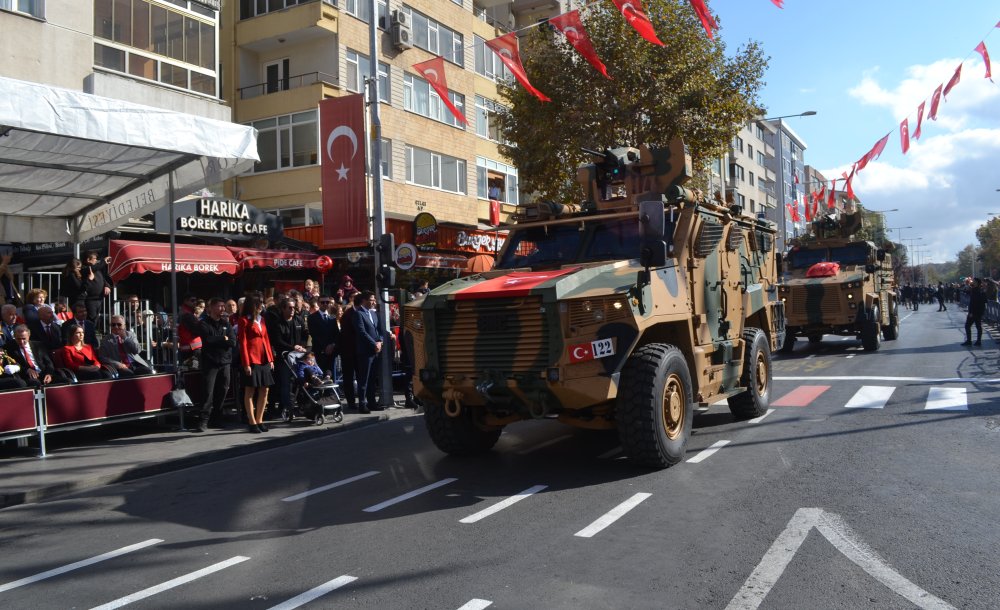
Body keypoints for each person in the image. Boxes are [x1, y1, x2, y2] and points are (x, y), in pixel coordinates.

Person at [194, 297, 236, 432]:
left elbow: (233, 342)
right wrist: (223, 339)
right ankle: (203, 420)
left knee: (223, 390)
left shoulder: (226, 324)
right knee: (208, 392)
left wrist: (223, 340)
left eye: (224, 306)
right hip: (210, 362)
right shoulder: (204, 323)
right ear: (210, 308)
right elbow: (208, 340)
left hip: (225, 362)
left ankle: (217, 418)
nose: (222, 309)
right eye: (219, 306)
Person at [237, 294, 274, 433]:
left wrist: (270, 359)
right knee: (250, 390)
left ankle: (260, 420)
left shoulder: (262, 319)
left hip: (264, 358)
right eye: (259, 303)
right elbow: (243, 343)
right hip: (252, 359)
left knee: (265, 390)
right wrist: (246, 363)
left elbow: (266, 339)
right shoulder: (244, 320)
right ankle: (252, 422)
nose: (261, 306)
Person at [265, 296, 306, 413]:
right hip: (284, 358)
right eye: (289, 308)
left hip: (299, 356)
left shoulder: (299, 320)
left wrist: (301, 346)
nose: (292, 310)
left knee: (300, 381)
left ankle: (301, 405)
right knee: (285, 383)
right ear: (283, 309)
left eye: (294, 307)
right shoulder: (277, 323)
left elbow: (304, 335)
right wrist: (293, 348)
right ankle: (285, 408)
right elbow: (278, 341)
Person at [352, 290, 384, 414]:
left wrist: (380, 341)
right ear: (364, 300)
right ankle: (362, 403)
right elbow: (361, 332)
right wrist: (373, 344)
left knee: (372, 378)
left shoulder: (374, 314)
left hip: (375, 350)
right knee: (363, 379)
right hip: (365, 351)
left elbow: (379, 330)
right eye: (371, 300)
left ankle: (372, 402)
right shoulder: (358, 314)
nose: (373, 302)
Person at [308, 295, 339, 376]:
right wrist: (325, 347)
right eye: (322, 302)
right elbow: (314, 334)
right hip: (319, 351)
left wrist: (332, 345)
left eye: (327, 302)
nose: (325, 304)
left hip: (332, 352)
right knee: (321, 374)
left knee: (331, 375)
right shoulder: (312, 317)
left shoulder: (332, 317)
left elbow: (336, 334)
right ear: (318, 303)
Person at [962, 278, 986, 347]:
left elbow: (978, 302)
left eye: (974, 281)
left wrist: (972, 312)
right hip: (973, 311)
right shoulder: (974, 289)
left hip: (976, 311)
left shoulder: (979, 290)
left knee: (974, 326)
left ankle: (977, 341)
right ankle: (971, 341)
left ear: (978, 283)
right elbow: (966, 292)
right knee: (971, 326)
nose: (973, 282)